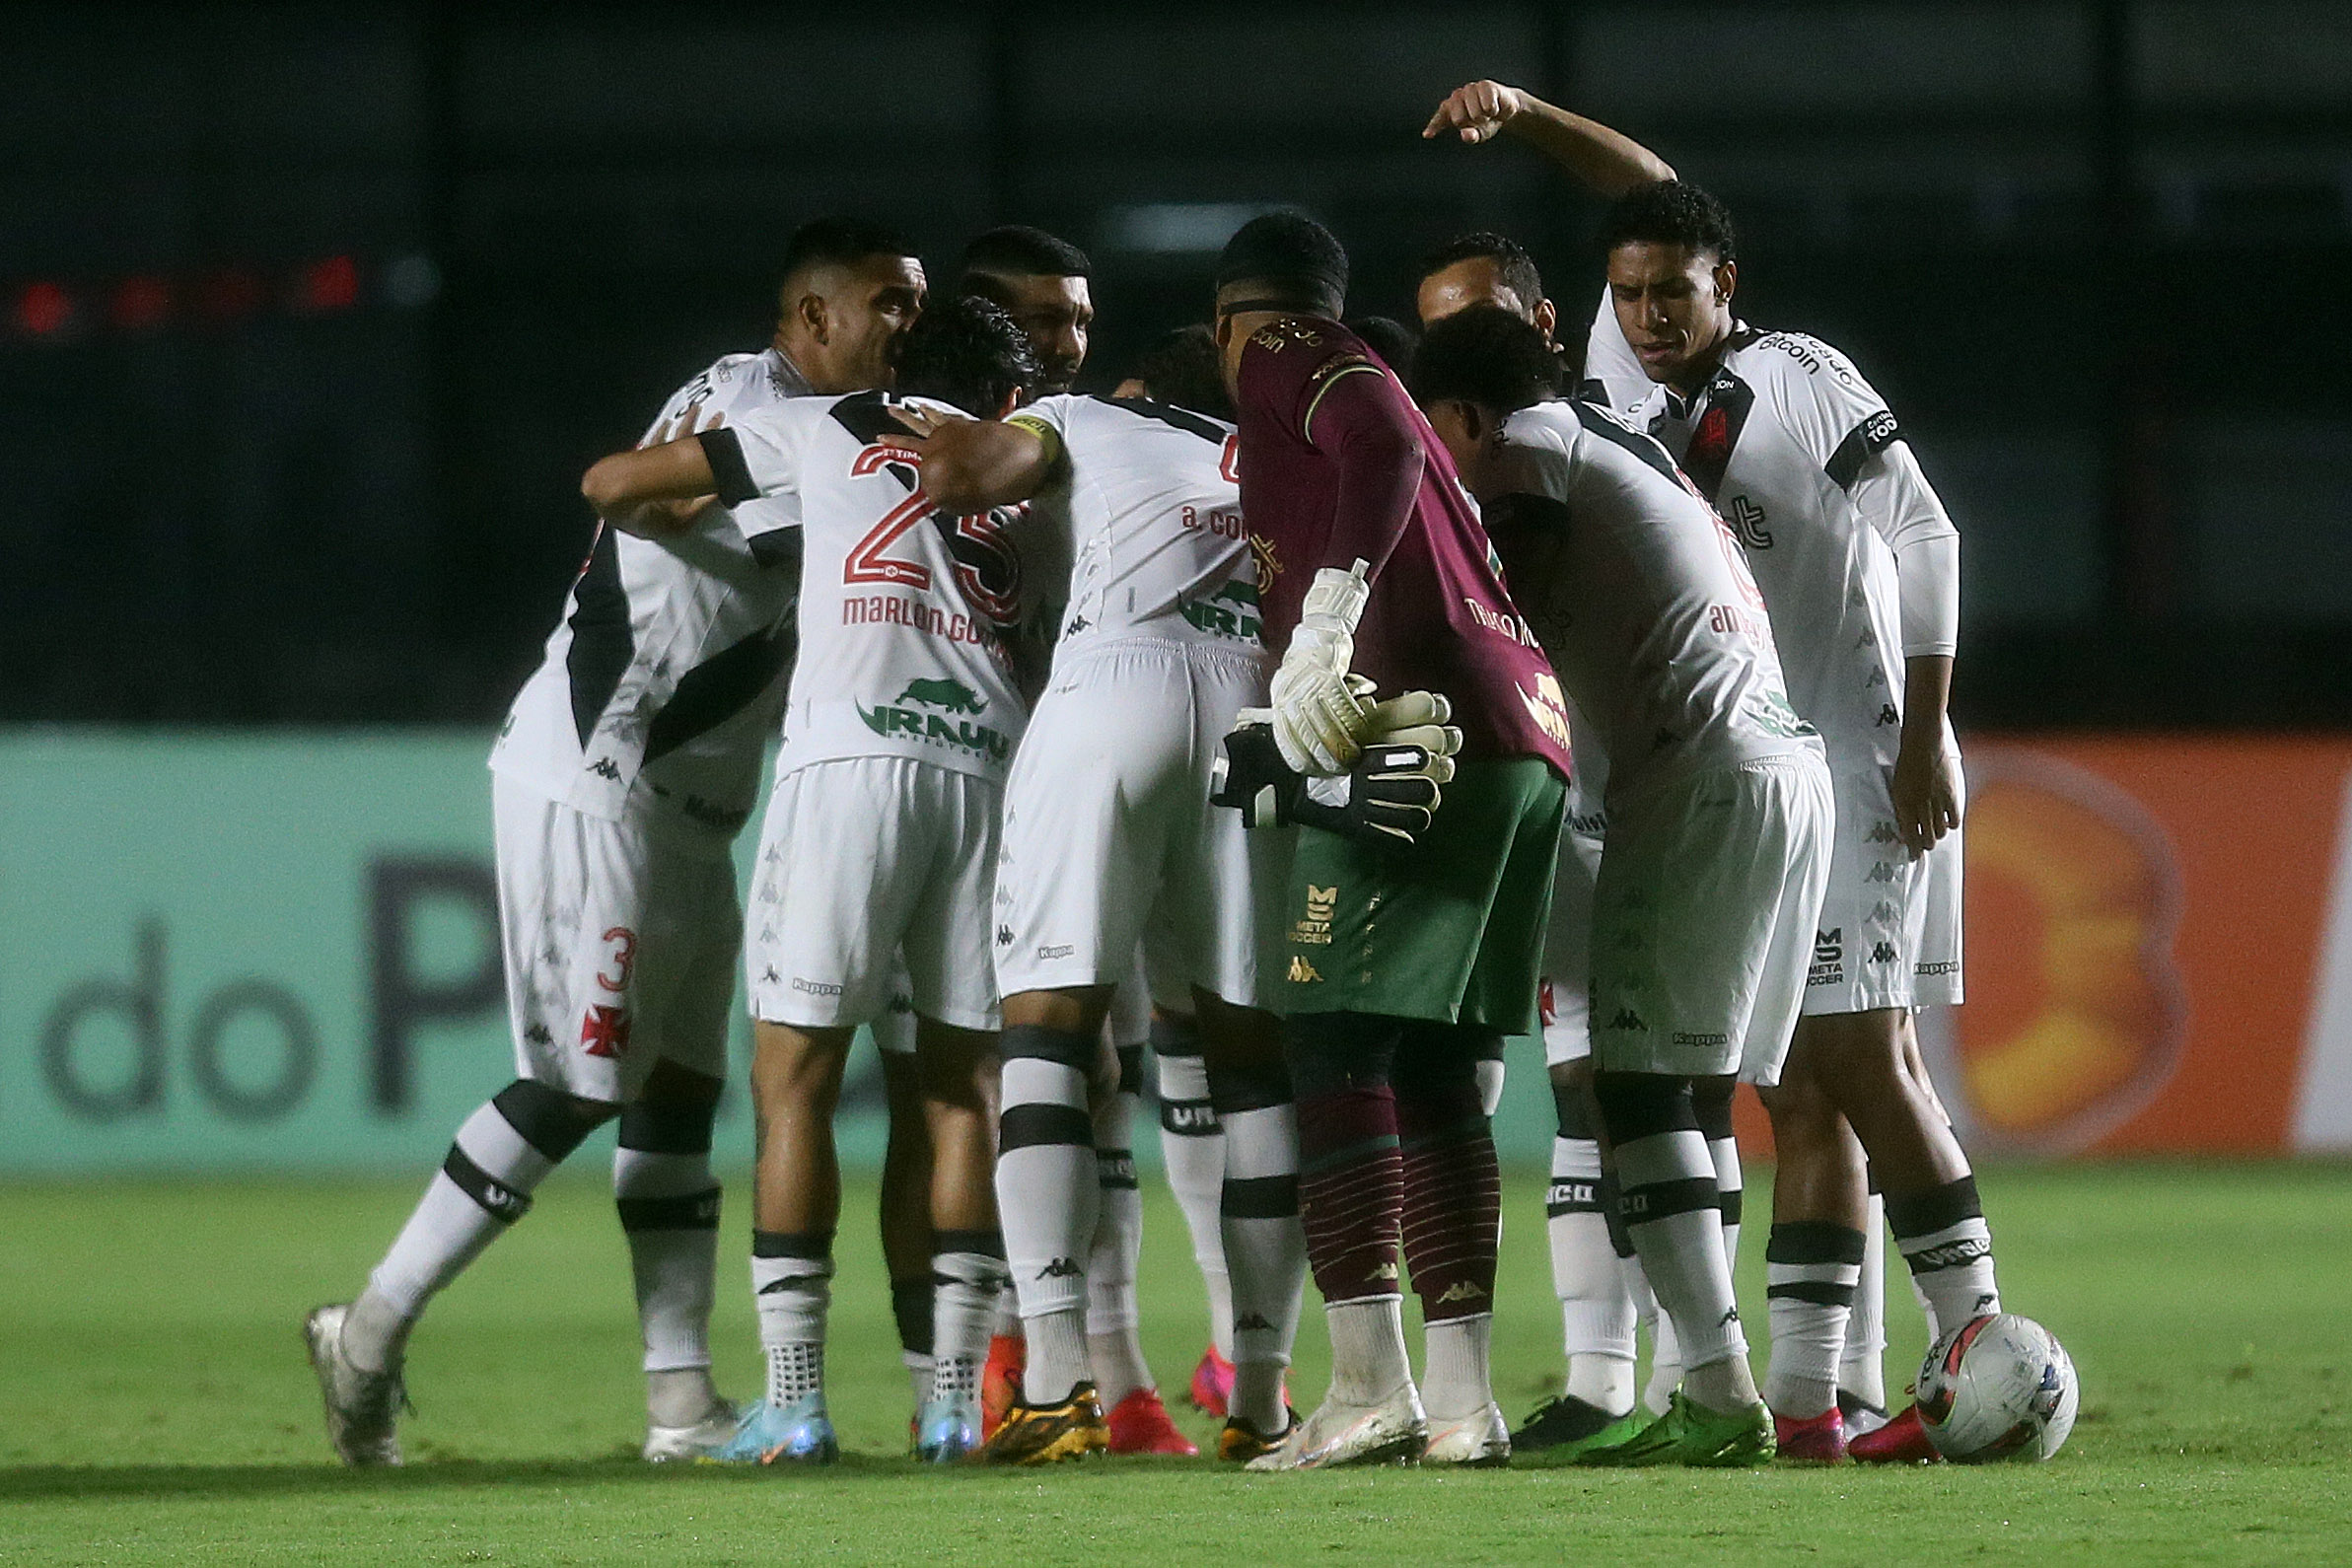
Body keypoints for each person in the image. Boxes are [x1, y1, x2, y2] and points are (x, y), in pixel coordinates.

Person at [301, 218, 925, 1467]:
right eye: (884, 303)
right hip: (600, 775)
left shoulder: (787, 418)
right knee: (576, 1084)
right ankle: (367, 1329)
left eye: (916, 303)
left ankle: (679, 1403)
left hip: (696, 811)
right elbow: (813, 565)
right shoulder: (772, 414)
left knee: (681, 1098)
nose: (905, 324)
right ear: (810, 319)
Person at [579, 295, 1043, 1464]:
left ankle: (795, 1401)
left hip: (849, 762)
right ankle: (950, 1405)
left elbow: (612, 485)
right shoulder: (1034, 486)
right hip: (985, 770)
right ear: (1003, 400)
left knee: (794, 1079)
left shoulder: (827, 422)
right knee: (961, 1092)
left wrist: (714, 506)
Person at [1583, 178, 1985, 1463]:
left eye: (1674, 292)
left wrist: (1922, 732)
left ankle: (1983, 1348)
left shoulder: (1795, 373)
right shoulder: (1648, 410)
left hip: (1868, 759)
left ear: (1724, 288)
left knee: (1864, 1057)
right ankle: (1813, 1405)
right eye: (1631, 293)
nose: (1650, 314)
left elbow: (1926, 534)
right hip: (1777, 778)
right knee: (1801, 1086)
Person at [1415, 304, 1832, 1467]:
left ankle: (1717, 1389)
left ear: (1460, 415)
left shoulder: (1533, 448)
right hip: (1776, 762)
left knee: (1637, 1088)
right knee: (1678, 1089)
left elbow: (1512, 615)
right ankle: (1704, 1380)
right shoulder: (1619, 447)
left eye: (1431, 436)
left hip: (1700, 779)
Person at [904, 322, 1318, 1465]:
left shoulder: (1088, 417)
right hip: (1254, 711)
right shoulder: (1266, 463)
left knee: (1047, 1026)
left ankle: (1049, 1379)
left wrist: (961, 435)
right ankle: (1263, 1397)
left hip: (1114, 684)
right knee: (1247, 1055)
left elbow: (959, 474)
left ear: (1133, 391)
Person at [1211, 213, 1571, 1470]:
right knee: (1435, 1074)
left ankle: (1367, 1386)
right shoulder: (1373, 415)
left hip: (1421, 730)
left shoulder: (1285, 350)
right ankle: (1464, 1405)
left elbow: (1368, 433)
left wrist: (1330, 615)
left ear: (1226, 322)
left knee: (1330, 1038)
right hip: (1525, 737)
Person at [1414, 92, 1705, 1453]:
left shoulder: (1589, 403)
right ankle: (1606, 1378)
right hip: (1564, 782)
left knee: (1667, 1081)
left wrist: (1528, 116)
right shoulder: (1463, 442)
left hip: (1665, 764)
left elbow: (1657, 193)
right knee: (1581, 1072)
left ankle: (1728, 1376)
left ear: (1542, 322)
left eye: (1478, 312)